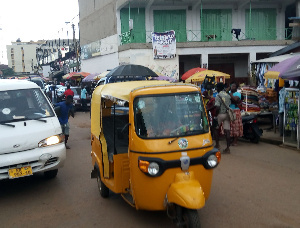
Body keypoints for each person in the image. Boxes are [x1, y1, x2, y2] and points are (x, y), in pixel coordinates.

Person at [214, 83, 231, 154]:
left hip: (220, 114)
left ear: (218, 88)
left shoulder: (218, 96)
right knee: (227, 131)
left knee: (215, 128)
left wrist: (215, 115)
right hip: (227, 114)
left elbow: (217, 107)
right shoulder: (228, 95)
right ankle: (227, 148)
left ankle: (217, 145)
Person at [227, 82, 243, 146]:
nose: (232, 87)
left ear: (236, 88)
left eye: (233, 86)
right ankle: (231, 139)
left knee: (236, 126)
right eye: (231, 86)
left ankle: (235, 141)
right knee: (230, 126)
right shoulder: (228, 93)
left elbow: (235, 100)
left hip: (235, 111)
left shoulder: (238, 94)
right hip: (229, 110)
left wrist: (230, 94)